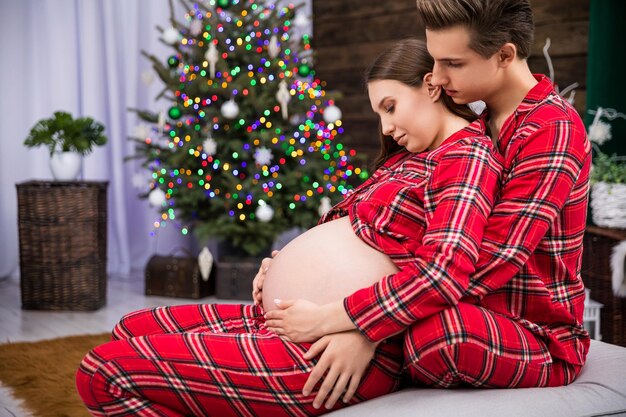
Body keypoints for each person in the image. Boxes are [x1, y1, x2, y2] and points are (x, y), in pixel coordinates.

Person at [75, 38, 503, 416]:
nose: (386, 126)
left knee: (102, 372)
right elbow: (362, 242)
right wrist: (280, 266)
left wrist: (354, 328)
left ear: (431, 86)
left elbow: (443, 273)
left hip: (326, 349)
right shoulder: (405, 160)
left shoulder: (465, 156)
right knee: (129, 327)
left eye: (390, 107)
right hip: (291, 321)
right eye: (379, 114)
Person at [260, 0, 591, 396]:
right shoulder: (478, 126)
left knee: (437, 338)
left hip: (528, 328)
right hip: (454, 302)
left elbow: (483, 262)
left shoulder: (551, 130)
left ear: (504, 55)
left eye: (452, 63)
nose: (435, 75)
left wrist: (360, 325)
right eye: (434, 60)